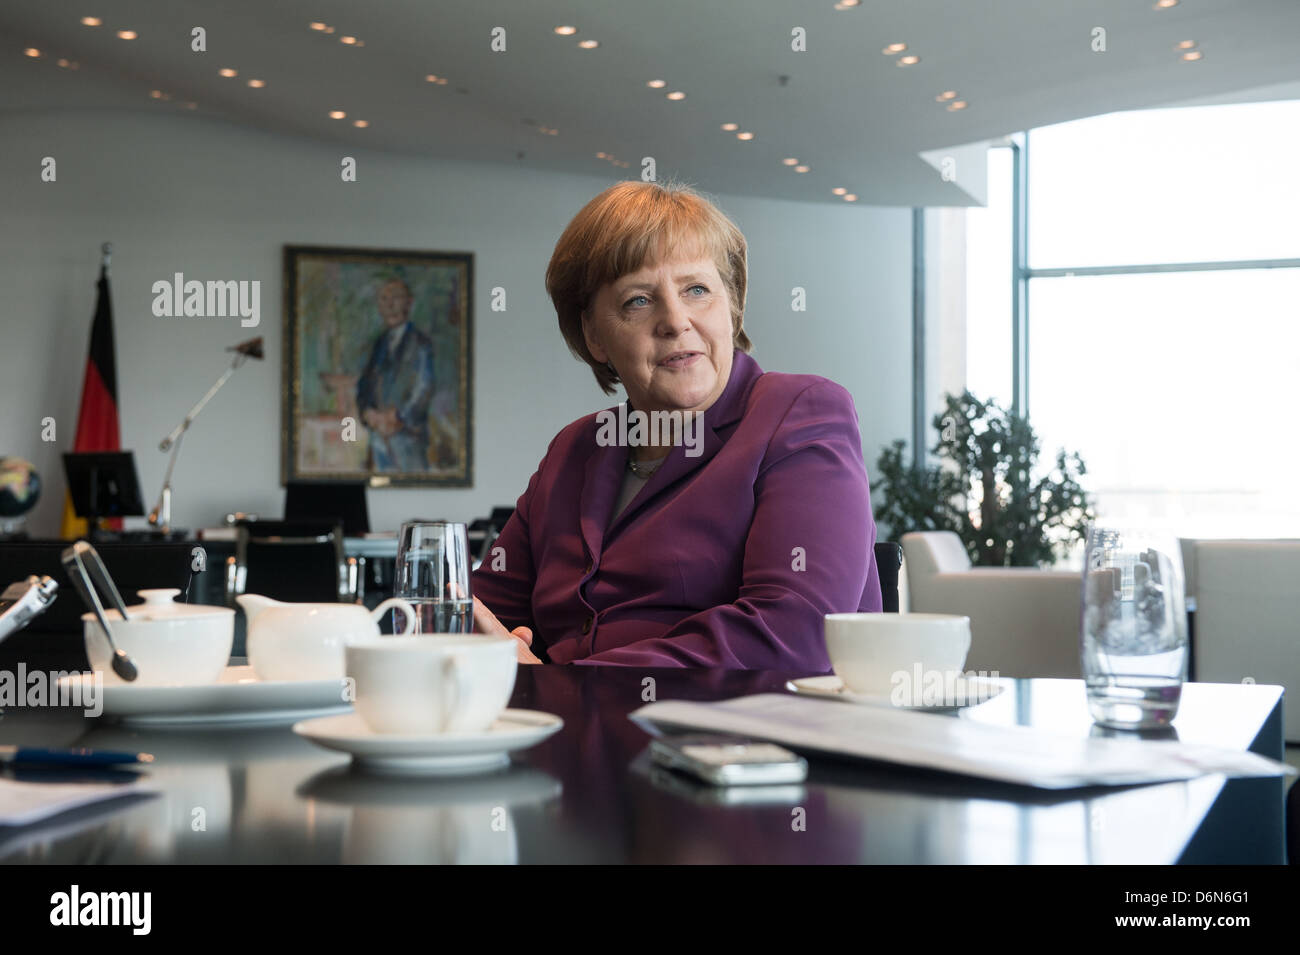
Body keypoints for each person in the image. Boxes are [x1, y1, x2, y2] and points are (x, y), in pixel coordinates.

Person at [471, 181, 881, 670]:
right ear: (594, 336)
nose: (675, 320)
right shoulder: (575, 449)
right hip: (562, 734)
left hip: (745, 737)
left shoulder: (800, 413)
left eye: (697, 290)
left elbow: (796, 633)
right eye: (638, 301)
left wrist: (566, 683)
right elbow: (481, 613)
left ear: (731, 305)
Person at [356, 277, 436, 472]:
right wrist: (367, 412)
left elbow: (424, 387)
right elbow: (364, 385)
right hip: (379, 439)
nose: (390, 305)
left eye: (396, 298)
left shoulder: (421, 343)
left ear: (409, 303)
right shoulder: (379, 344)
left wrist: (399, 416)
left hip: (409, 439)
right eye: (384, 299)